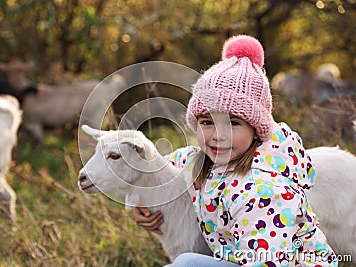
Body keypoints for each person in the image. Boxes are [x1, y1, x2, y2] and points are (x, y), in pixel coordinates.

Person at [134, 35, 338, 266]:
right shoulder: (198, 162)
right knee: (186, 261)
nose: (218, 135)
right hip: (239, 258)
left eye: (233, 123)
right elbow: (155, 171)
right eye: (207, 122)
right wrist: (140, 202)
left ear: (256, 128)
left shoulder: (265, 192)